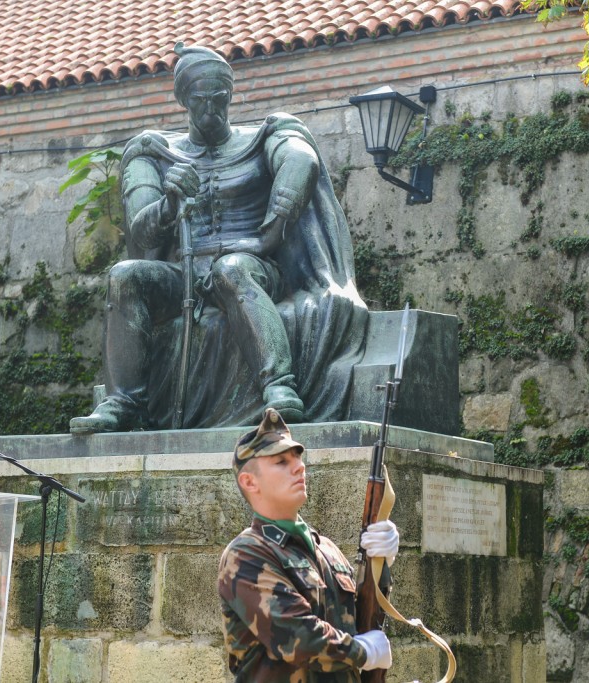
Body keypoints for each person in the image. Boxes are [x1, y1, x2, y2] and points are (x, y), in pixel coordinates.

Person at [70, 44, 367, 433]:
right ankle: (124, 403)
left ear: (229, 95)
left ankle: (279, 387)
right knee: (125, 275)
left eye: (219, 98)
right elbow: (141, 233)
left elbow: (300, 160)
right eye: (200, 99)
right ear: (183, 99)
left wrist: (268, 235)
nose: (211, 108)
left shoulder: (262, 138)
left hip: (251, 264)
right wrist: (168, 205)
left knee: (231, 269)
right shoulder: (154, 153)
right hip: (185, 274)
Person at [218, 408, 398, 681]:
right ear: (249, 481)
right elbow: (295, 636)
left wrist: (381, 563)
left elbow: (363, 620)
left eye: (298, 458)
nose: (299, 467)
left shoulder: (326, 549)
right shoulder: (246, 554)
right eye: (281, 461)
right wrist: (363, 651)